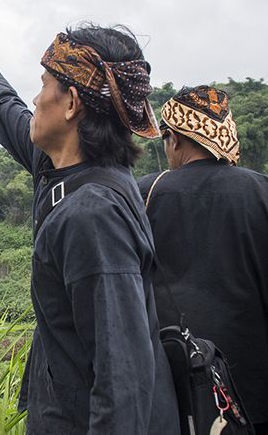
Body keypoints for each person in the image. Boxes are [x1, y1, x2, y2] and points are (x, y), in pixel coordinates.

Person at [0, 7, 179, 433]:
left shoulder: (94, 214)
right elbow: (6, 111)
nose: (35, 97)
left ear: (70, 103)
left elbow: (123, 381)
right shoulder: (64, 171)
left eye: (44, 84)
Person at [138, 86, 268, 432]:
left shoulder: (142, 195)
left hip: (172, 389)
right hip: (254, 395)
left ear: (174, 140)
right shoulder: (261, 191)